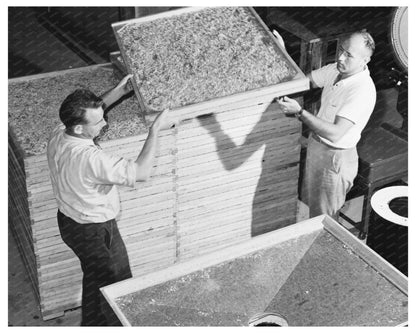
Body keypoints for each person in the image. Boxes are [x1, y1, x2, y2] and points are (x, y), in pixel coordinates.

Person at [47, 74, 171, 326]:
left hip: (72, 223)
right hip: (92, 229)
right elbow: (141, 171)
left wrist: (118, 91)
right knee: (112, 285)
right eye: (98, 121)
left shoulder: (60, 132)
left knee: (102, 279)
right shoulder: (90, 159)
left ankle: (92, 326)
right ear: (80, 128)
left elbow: (91, 112)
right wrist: (154, 131)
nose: (104, 123)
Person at [276, 31, 376, 219]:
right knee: (310, 207)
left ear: (365, 60)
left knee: (325, 220)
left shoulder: (362, 90)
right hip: (317, 146)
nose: (340, 57)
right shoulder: (335, 70)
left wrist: (299, 112)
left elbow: (336, 133)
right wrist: (282, 53)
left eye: (349, 55)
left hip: (335, 158)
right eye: (341, 50)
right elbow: (300, 83)